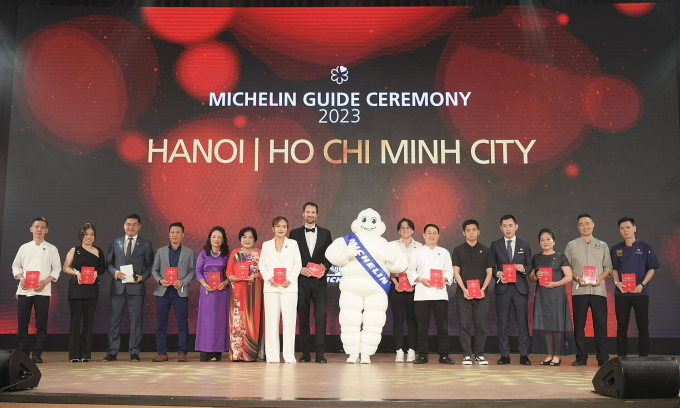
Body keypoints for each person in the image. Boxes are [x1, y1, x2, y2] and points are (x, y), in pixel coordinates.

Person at [104, 213, 154, 362]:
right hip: (118, 288)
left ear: (139, 227)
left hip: (136, 288)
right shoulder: (115, 242)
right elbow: (108, 264)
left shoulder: (146, 244)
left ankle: (134, 352)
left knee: (136, 322)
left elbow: (150, 265)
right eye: (128, 224)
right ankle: (112, 352)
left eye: (134, 224)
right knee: (114, 321)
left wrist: (143, 277)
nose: (130, 227)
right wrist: (115, 273)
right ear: (124, 226)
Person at [565, 213, 613, 366]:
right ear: (577, 227)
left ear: (593, 225)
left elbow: (608, 267)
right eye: (581, 224)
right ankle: (581, 356)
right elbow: (566, 268)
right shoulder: (571, 245)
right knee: (579, 325)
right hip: (580, 290)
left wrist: (600, 278)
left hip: (598, 291)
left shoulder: (602, 245)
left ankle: (603, 357)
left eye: (587, 223)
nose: (585, 226)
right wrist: (577, 278)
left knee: (601, 324)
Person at [12, 217, 61, 363]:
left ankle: (37, 353)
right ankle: (23, 352)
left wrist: (45, 281)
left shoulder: (52, 249)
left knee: (41, 324)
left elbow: (57, 268)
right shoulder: (24, 247)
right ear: (31, 229)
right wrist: (21, 278)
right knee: (22, 323)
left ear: (47, 230)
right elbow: (16, 266)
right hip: (24, 291)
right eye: (37, 227)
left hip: (43, 291)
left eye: (42, 227)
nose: (39, 230)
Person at [288, 202, 333, 363]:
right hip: (301, 281)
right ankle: (305, 353)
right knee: (303, 316)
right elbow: (290, 256)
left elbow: (330, 256)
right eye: (308, 212)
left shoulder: (326, 233)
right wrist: (299, 269)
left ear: (317, 215)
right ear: (303, 213)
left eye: (313, 212)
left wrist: (325, 267)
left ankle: (320, 353)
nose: (310, 214)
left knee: (321, 315)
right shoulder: (293, 233)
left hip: (320, 282)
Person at [610, 216, 660, 357]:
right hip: (622, 293)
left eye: (628, 227)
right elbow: (614, 268)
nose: (625, 230)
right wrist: (616, 282)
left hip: (640, 293)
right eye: (622, 228)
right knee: (622, 326)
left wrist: (642, 284)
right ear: (619, 230)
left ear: (634, 228)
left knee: (642, 326)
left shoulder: (646, 247)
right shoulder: (616, 249)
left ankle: (643, 356)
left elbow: (652, 268)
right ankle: (621, 356)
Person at [407, 224, 455, 365]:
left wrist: (445, 278)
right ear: (424, 235)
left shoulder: (444, 252)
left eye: (434, 233)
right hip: (422, 294)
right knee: (422, 327)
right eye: (429, 233)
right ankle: (422, 355)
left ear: (438, 236)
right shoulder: (417, 252)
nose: (432, 235)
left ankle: (444, 355)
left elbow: (449, 270)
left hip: (440, 294)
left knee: (443, 327)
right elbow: (410, 270)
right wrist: (421, 279)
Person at [527, 228, 574, 366]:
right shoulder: (536, 257)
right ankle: (549, 354)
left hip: (557, 295)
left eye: (548, 239)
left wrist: (555, 284)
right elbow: (530, 277)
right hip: (542, 295)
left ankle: (557, 356)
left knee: (557, 325)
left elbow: (569, 277)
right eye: (542, 240)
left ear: (554, 241)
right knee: (546, 325)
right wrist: (535, 276)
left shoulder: (561, 257)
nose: (545, 242)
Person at [490, 215, 533, 365]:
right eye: (505, 226)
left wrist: (524, 269)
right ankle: (504, 355)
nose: (508, 228)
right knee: (502, 323)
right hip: (502, 288)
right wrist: (497, 273)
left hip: (520, 288)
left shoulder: (524, 244)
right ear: (500, 228)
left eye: (510, 225)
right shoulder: (495, 245)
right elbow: (492, 266)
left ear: (516, 226)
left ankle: (524, 354)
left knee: (522, 322)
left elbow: (529, 266)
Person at [150, 222, 195, 362]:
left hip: (179, 291)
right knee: (161, 323)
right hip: (163, 292)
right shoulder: (160, 251)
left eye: (178, 232)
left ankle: (182, 352)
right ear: (169, 234)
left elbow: (192, 271)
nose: (175, 235)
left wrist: (183, 282)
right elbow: (154, 270)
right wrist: (159, 280)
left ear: (183, 235)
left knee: (182, 323)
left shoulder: (189, 252)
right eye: (172, 232)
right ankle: (162, 352)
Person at [259, 216, 302, 363]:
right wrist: (269, 278)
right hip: (271, 288)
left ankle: (289, 356)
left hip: (289, 288)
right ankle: (272, 357)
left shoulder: (293, 244)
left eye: (284, 226)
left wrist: (289, 279)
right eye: (278, 226)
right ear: (273, 228)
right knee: (271, 322)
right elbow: (262, 265)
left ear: (287, 228)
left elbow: (298, 264)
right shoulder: (266, 245)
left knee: (289, 323)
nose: (281, 229)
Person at [452, 219, 494, 365]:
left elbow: (489, 273)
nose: (471, 232)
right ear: (464, 232)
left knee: (481, 325)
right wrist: (464, 290)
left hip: (482, 294)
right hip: (463, 294)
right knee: (464, 325)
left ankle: (480, 354)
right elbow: (456, 273)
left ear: (478, 231)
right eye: (468, 230)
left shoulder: (486, 250)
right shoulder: (458, 250)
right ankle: (466, 355)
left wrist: (482, 289)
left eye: (474, 229)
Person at [62, 223, 105, 362]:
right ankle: (74, 355)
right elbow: (65, 267)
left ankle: (86, 355)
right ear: (81, 235)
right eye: (86, 234)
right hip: (76, 290)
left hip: (92, 290)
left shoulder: (98, 251)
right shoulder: (74, 250)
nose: (89, 237)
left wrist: (96, 272)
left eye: (92, 234)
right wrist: (76, 272)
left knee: (88, 322)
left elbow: (102, 268)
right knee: (75, 322)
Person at [226, 227, 263, 362]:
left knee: (252, 321)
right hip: (237, 293)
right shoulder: (235, 253)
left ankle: (250, 354)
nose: (247, 240)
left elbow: (265, 270)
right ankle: (236, 354)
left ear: (255, 239)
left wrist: (256, 275)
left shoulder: (260, 253)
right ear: (240, 239)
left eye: (250, 237)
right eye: (244, 237)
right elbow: (229, 271)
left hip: (254, 293)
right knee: (237, 322)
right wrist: (231, 277)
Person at [195, 226, 230, 362]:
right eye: (214, 236)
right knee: (207, 322)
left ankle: (217, 352)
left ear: (223, 240)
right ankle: (205, 351)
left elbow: (231, 272)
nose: (216, 239)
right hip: (207, 291)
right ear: (210, 238)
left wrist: (226, 283)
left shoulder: (227, 254)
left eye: (219, 237)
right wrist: (204, 284)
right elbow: (198, 271)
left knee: (219, 322)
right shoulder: (204, 254)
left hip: (221, 291)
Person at [389, 218, 422, 363]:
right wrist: (395, 281)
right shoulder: (391, 246)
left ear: (413, 230)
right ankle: (399, 351)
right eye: (402, 227)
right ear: (398, 230)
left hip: (414, 287)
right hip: (396, 286)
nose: (405, 230)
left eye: (408, 227)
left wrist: (414, 282)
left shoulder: (420, 247)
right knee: (398, 320)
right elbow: (387, 265)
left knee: (412, 320)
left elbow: (421, 268)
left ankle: (412, 351)